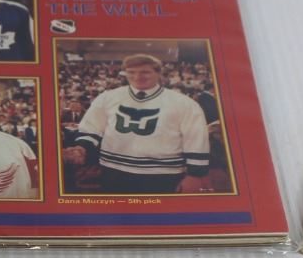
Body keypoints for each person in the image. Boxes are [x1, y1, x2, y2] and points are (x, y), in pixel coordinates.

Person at [64, 54, 211, 193]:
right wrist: (82, 148)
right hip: (113, 170)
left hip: (163, 174)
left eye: (145, 72)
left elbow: (196, 139)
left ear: (158, 73)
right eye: (131, 72)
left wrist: (195, 175)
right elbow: (92, 128)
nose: (137, 77)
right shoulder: (108, 97)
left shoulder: (184, 103)